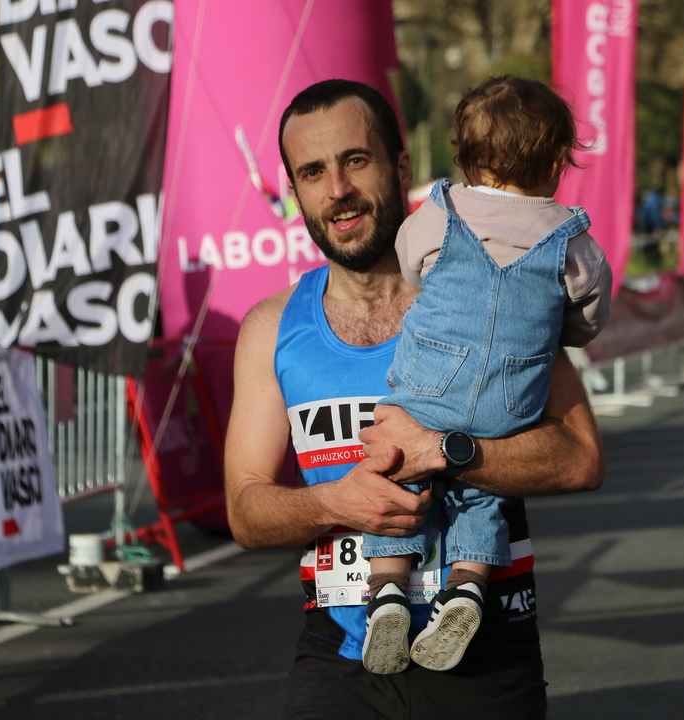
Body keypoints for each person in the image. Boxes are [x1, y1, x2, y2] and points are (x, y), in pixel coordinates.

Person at [224, 78, 604, 720]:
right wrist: (332, 502)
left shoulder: (495, 294)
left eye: (355, 160)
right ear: (295, 192)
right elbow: (245, 510)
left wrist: (445, 451)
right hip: (342, 657)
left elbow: (580, 459)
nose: (337, 189)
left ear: (401, 168)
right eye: (312, 173)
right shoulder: (271, 329)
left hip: (485, 648)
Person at [360, 75, 612, 677]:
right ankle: (468, 587)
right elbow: (590, 313)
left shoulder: (441, 214)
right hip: (509, 401)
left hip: (431, 384)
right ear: (556, 163)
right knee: (485, 491)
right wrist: (556, 330)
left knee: (397, 470)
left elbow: (410, 263)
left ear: (467, 158)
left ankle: (388, 592)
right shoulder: (571, 241)